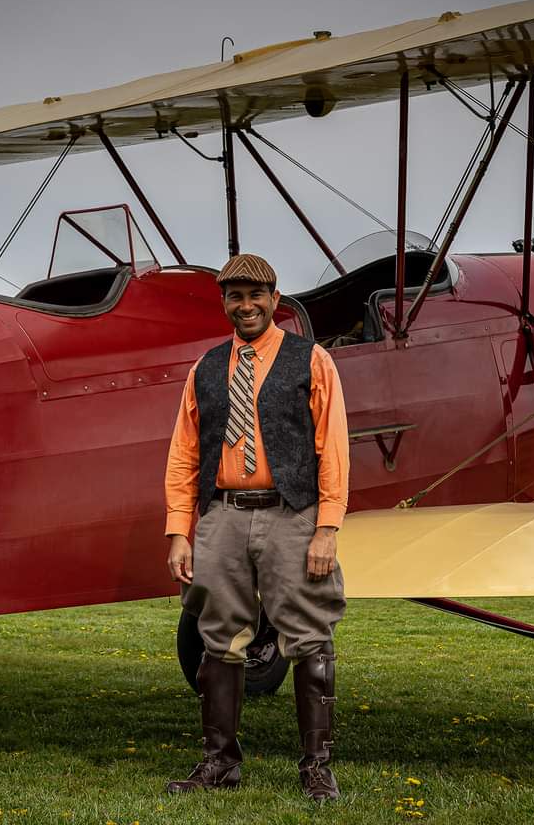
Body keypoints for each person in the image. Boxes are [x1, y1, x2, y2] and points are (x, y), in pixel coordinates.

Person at [163, 254, 349, 801]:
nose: (244, 306)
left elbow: (332, 448)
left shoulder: (311, 361)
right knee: (217, 635)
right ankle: (219, 764)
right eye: (233, 297)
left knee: (310, 632)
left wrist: (328, 527)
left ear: (274, 299)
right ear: (225, 303)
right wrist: (180, 528)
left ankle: (316, 767)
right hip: (221, 513)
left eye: (254, 296)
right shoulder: (206, 368)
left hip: (292, 513)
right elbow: (183, 452)